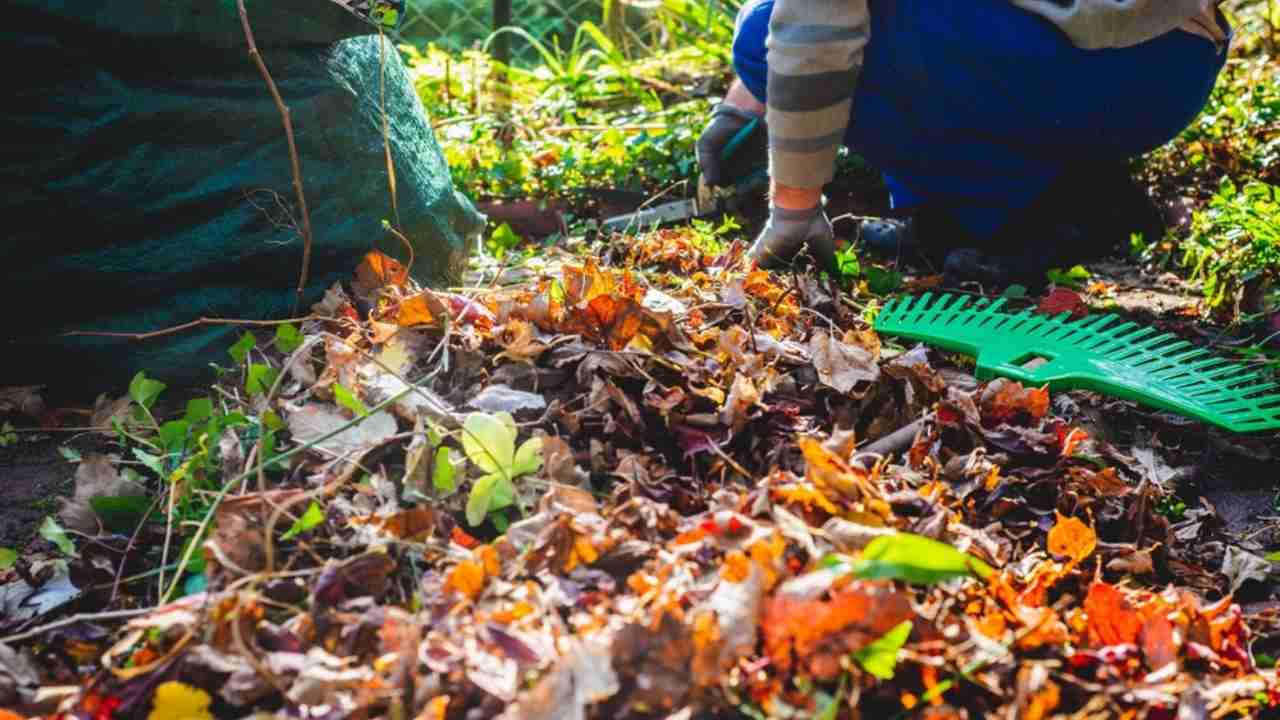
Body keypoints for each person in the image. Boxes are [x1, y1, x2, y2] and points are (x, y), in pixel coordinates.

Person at [697, 0, 1231, 286]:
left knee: (759, 33)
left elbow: (810, 22)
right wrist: (742, 106)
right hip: (1172, 66)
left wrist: (794, 208)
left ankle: (1038, 212)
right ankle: (958, 214)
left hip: (1090, 68)